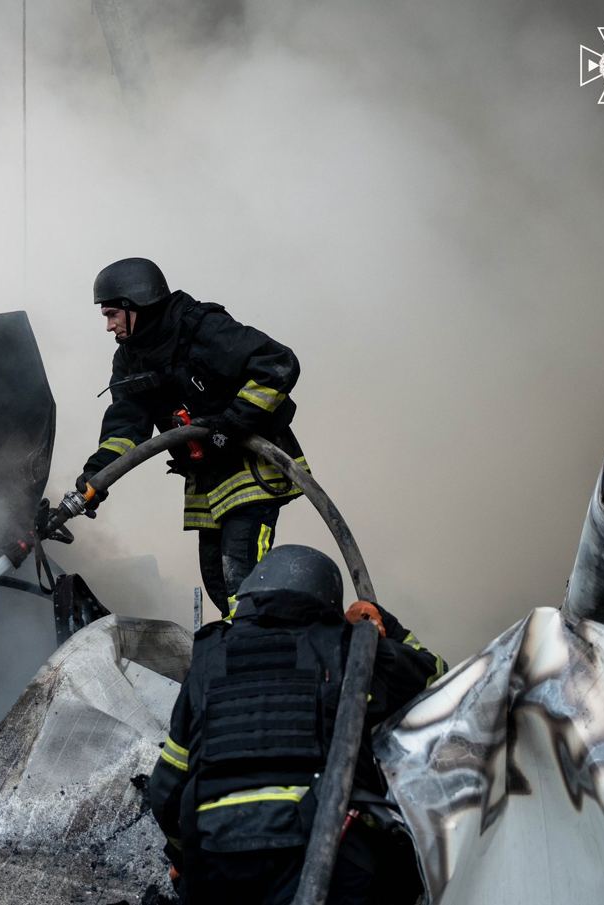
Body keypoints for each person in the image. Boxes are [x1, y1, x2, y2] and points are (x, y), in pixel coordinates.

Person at [147, 545, 443, 904]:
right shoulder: (350, 648)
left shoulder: (208, 662)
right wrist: (385, 625)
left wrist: (184, 859)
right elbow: (437, 677)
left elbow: (165, 791)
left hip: (219, 861)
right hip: (327, 854)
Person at [78, 257, 308, 617]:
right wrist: (97, 474)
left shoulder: (201, 328)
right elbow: (126, 427)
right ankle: (241, 642)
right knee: (218, 581)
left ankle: (263, 645)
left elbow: (277, 364)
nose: (108, 326)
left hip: (251, 467)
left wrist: (230, 424)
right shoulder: (130, 360)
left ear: (135, 304)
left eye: (112, 315)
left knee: (242, 576)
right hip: (208, 478)